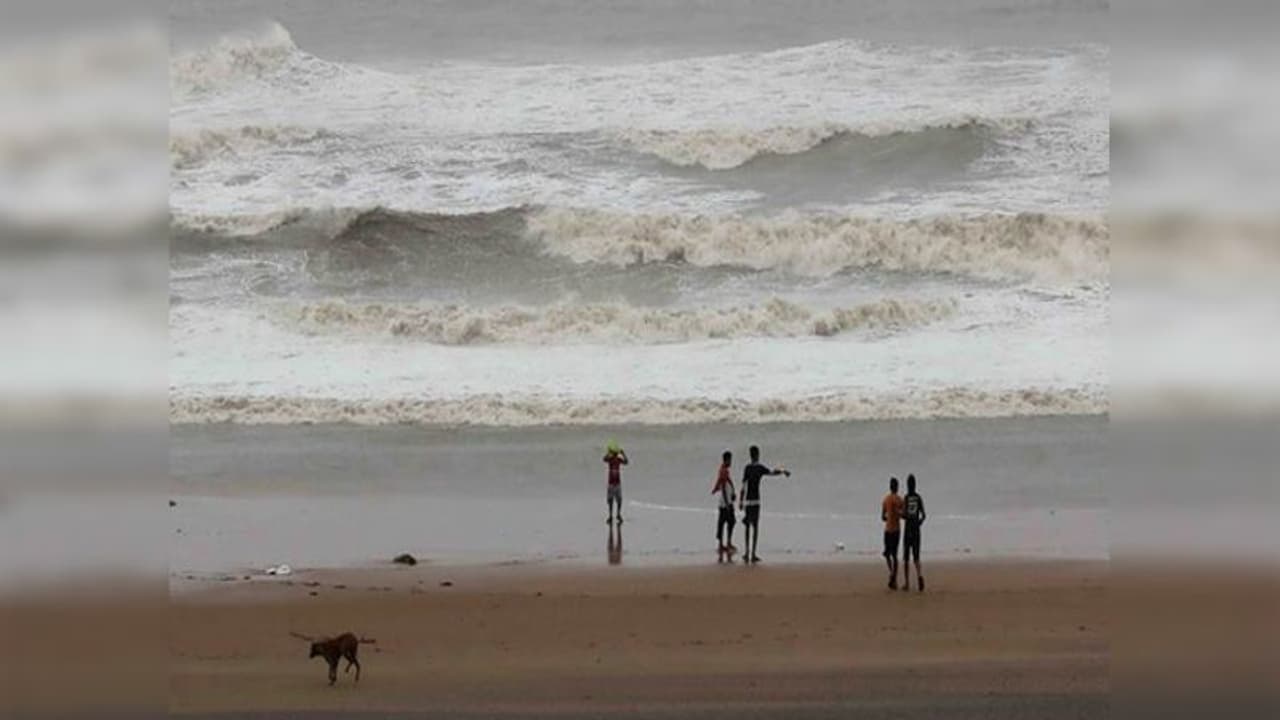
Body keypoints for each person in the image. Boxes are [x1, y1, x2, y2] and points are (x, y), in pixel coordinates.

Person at [738, 445, 790, 564]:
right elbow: (772, 473)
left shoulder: (747, 468)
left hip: (748, 500)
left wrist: (740, 501)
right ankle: (753, 554)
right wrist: (783, 471)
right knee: (755, 527)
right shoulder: (760, 468)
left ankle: (746, 552)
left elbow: (743, 485)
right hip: (756, 500)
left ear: (750, 455)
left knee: (747, 526)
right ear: (757, 455)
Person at [902, 473, 927, 592]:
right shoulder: (918, 498)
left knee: (906, 557)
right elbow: (924, 515)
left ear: (908, 485)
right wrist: (920, 522)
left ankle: (907, 583)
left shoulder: (906, 498)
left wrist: (899, 514)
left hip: (908, 530)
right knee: (916, 556)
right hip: (916, 529)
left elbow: (905, 515)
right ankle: (919, 575)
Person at [711, 451, 737, 558]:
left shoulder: (724, 470)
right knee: (728, 522)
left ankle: (724, 543)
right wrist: (727, 503)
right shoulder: (723, 471)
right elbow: (723, 488)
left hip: (726, 502)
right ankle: (724, 544)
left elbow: (727, 485)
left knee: (727, 522)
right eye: (730, 460)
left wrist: (733, 493)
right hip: (725, 503)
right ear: (726, 460)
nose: (731, 462)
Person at [881, 477, 904, 590]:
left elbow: (882, 517)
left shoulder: (886, 499)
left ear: (890, 487)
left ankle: (892, 574)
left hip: (888, 530)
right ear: (897, 487)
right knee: (894, 555)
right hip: (896, 530)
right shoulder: (900, 500)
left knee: (887, 554)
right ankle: (893, 576)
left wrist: (888, 517)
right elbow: (903, 515)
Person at [603, 441, 628, 524]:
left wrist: (623, 454)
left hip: (617, 483)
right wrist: (608, 453)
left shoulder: (618, 459)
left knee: (619, 500)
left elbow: (626, 462)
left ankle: (618, 514)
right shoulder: (610, 459)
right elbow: (604, 459)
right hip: (611, 483)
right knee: (610, 500)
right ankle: (610, 515)